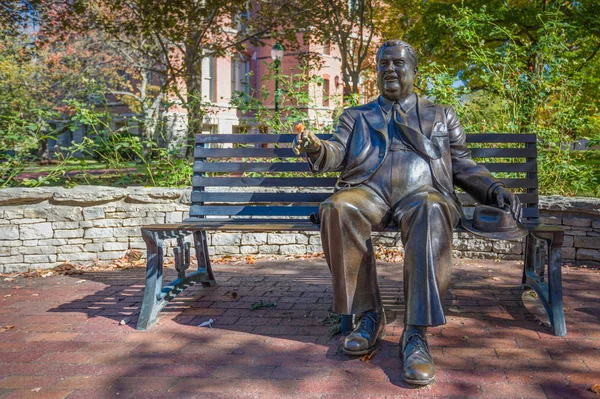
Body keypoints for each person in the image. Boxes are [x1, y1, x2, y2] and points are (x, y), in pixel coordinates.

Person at [293, 40, 520, 386]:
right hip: (369, 191)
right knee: (337, 208)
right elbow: (336, 151)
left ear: (414, 70)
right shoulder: (357, 116)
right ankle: (368, 316)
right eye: (383, 64)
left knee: (431, 210)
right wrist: (316, 148)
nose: (390, 70)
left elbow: (463, 164)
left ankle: (415, 334)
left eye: (398, 63)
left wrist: (494, 189)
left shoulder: (440, 115)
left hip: (423, 194)